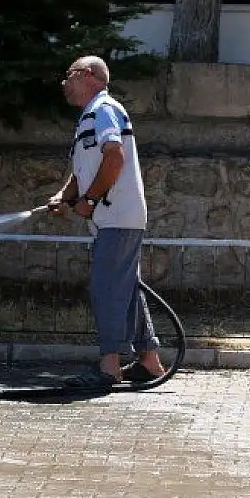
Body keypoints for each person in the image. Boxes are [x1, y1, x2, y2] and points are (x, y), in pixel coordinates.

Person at [47, 55, 165, 390]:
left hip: (117, 216)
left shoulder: (105, 109)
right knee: (125, 288)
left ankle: (110, 367)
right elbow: (84, 170)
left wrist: (88, 201)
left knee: (106, 289)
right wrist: (64, 197)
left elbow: (114, 156)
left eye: (69, 75)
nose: (64, 83)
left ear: (86, 75)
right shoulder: (90, 116)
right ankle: (149, 360)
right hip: (113, 218)